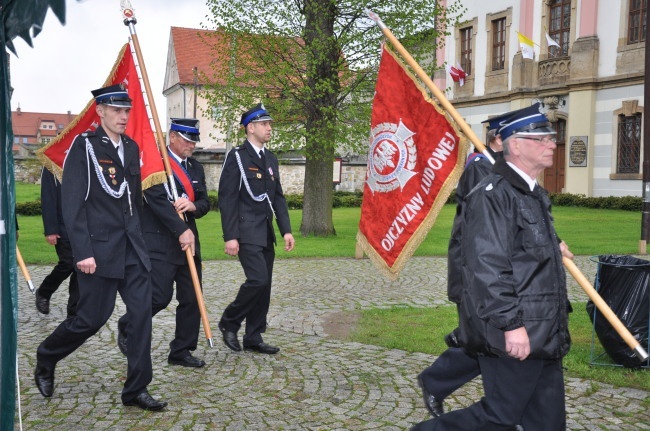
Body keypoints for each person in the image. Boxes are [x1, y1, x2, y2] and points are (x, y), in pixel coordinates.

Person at [411, 105, 573, 430]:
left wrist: (552, 249)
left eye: (550, 137)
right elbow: (488, 267)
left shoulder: (532, 193)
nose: (550, 144)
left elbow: (520, 247)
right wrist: (511, 325)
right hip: (517, 334)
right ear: (514, 144)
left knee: (548, 422)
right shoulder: (493, 194)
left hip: (544, 329)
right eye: (539, 138)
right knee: (499, 419)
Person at [34, 84, 166, 411]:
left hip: (132, 250)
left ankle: (136, 389)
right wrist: (82, 251)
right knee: (90, 320)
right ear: (101, 111)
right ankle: (47, 356)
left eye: (126, 110)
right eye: (117, 110)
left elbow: (134, 201)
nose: (123, 116)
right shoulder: (85, 146)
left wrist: (144, 242)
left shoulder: (132, 148)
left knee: (140, 318)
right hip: (99, 250)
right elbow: (72, 201)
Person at [416, 118, 505, 418]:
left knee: (491, 341)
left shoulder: (497, 167)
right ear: (498, 140)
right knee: (489, 341)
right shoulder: (481, 167)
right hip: (478, 270)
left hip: (494, 270)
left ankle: (508, 408)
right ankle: (505, 410)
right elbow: (484, 227)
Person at [117, 118, 209, 368]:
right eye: (188, 140)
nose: (192, 145)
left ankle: (181, 350)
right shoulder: (155, 163)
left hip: (189, 241)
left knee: (192, 298)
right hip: (161, 241)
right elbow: (155, 201)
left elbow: (205, 202)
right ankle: (127, 324)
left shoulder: (196, 168)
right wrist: (179, 228)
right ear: (173, 138)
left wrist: (193, 206)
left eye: (194, 141)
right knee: (159, 296)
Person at [217, 103, 295, 355]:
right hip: (245, 230)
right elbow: (227, 198)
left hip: (266, 232)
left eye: (270, 123)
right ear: (250, 128)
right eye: (265, 124)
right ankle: (229, 321)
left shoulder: (270, 159)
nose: (270, 128)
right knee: (257, 280)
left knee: (265, 285)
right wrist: (230, 236)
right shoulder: (238, 157)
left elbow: (278, 198)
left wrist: (286, 230)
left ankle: (254, 335)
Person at [34, 166, 79, 318]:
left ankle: (74, 312)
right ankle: (44, 291)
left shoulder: (87, 156)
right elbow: (48, 196)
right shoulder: (52, 162)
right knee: (68, 263)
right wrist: (51, 229)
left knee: (82, 269)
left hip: (84, 225)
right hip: (62, 226)